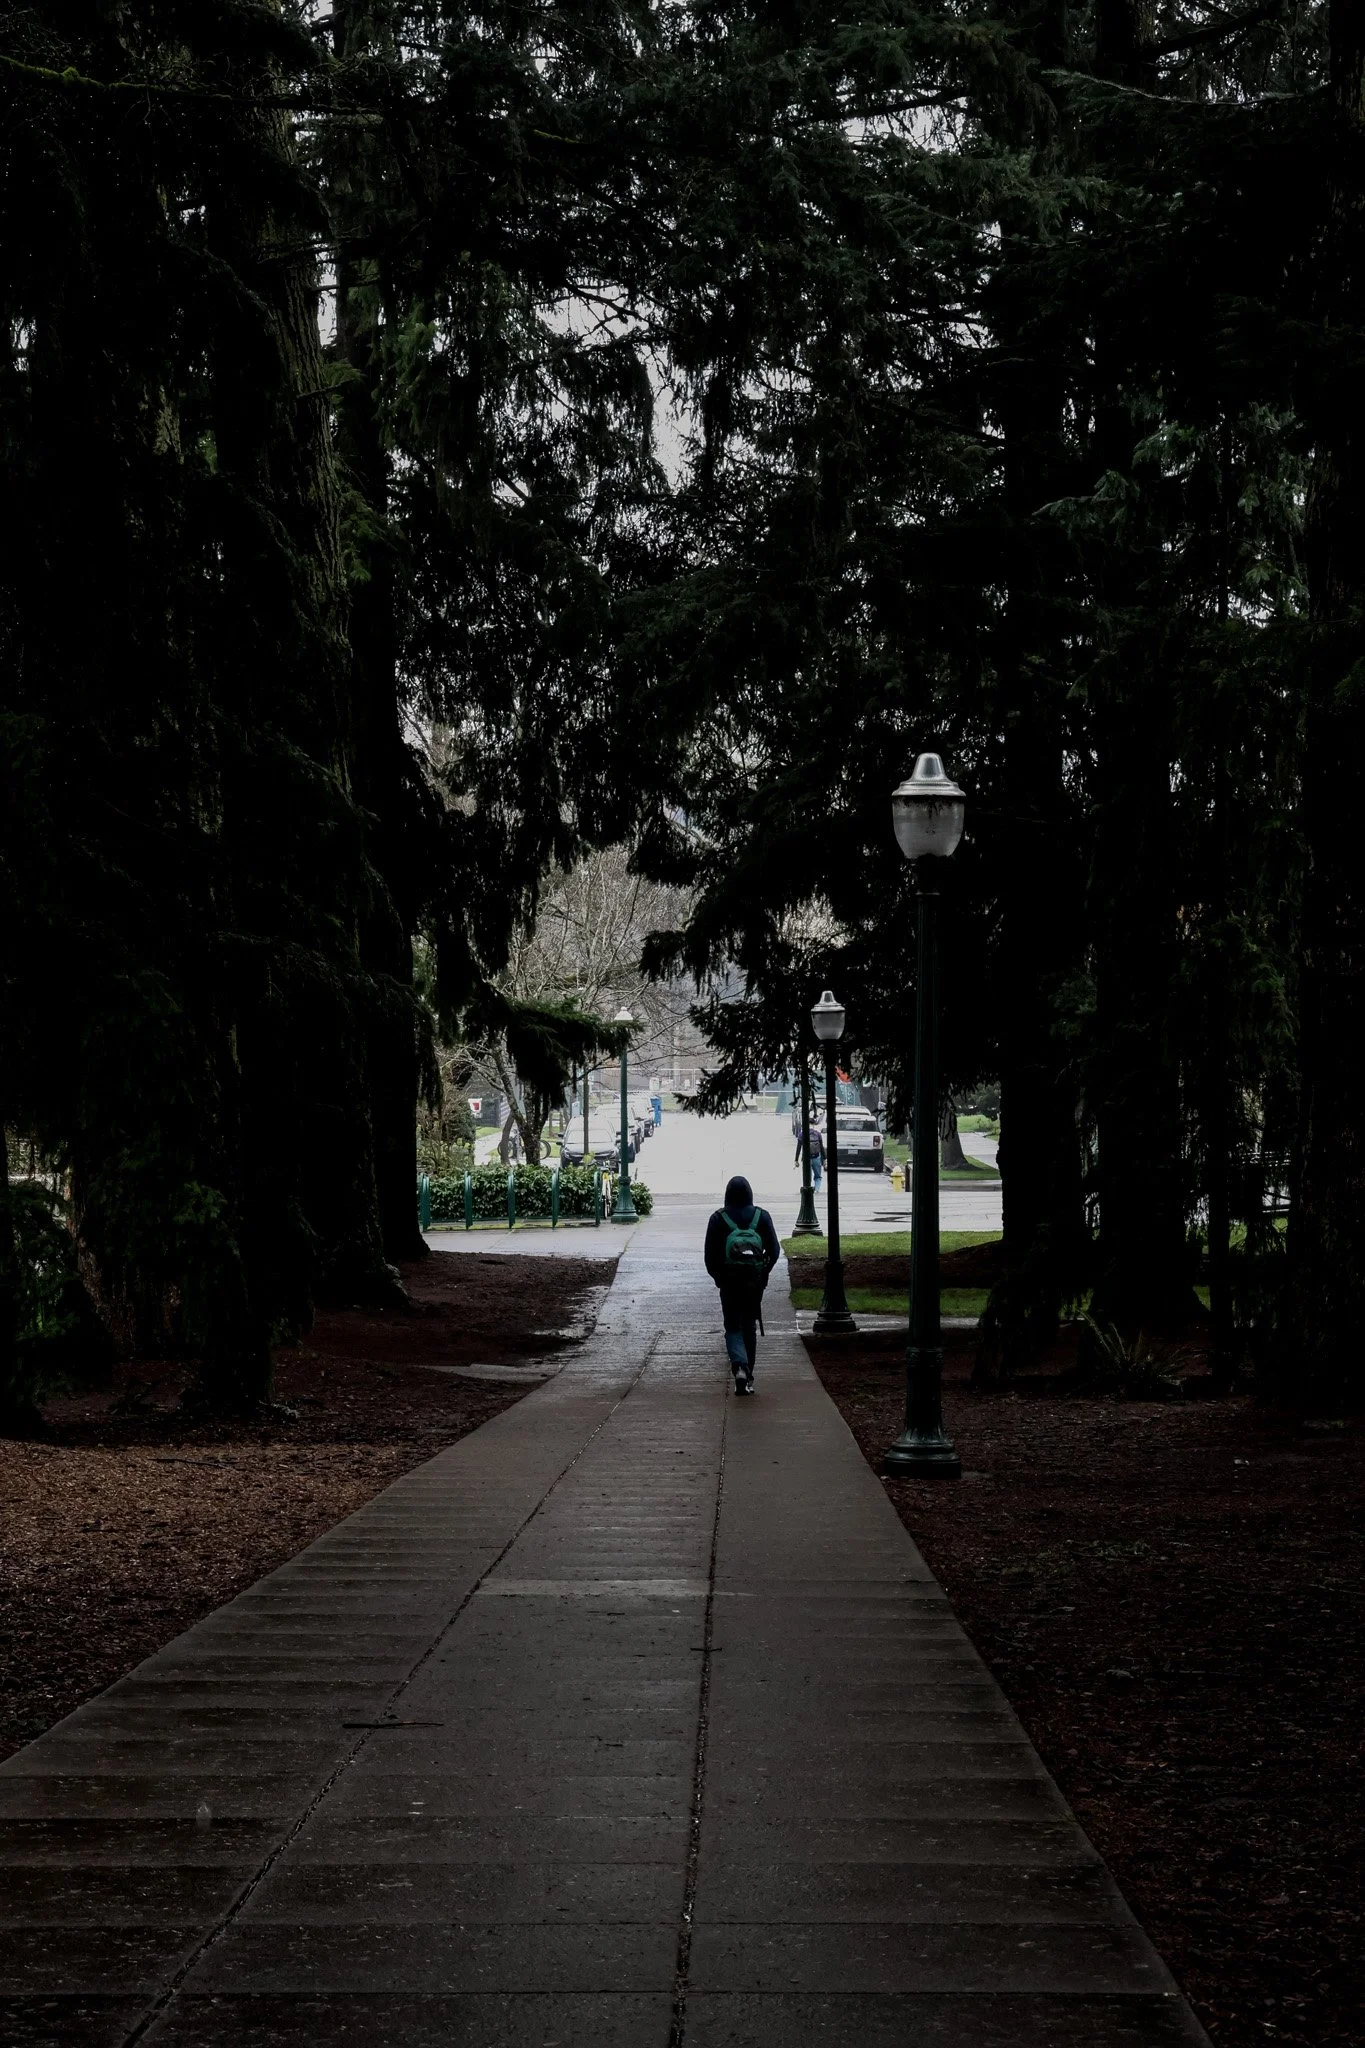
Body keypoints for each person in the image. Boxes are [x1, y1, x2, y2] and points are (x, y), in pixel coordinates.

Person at [703, 1174, 781, 1395]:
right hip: (754, 1283)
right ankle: (748, 1377)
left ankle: (739, 1367)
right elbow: (774, 1251)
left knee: (732, 1326)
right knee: (749, 1326)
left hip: (729, 1282)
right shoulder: (761, 1217)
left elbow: (709, 1257)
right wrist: (763, 1273)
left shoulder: (718, 1218)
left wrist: (719, 1278)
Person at [796, 1119, 824, 1190]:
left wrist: (796, 1160)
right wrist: (825, 1158)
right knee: (818, 1176)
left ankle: (808, 1188)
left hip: (806, 1158)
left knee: (807, 1175)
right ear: (813, 1124)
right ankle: (817, 1189)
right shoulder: (818, 1134)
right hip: (816, 1157)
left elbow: (798, 1148)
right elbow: (821, 1147)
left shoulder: (802, 1134)